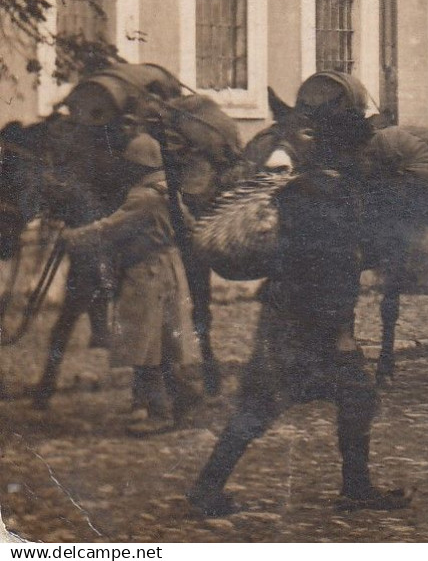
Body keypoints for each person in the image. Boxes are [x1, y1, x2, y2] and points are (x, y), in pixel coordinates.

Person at [187, 91, 410, 517]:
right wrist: (340, 332)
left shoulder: (302, 189)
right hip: (310, 322)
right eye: (362, 148)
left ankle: (208, 488)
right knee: (347, 396)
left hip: (286, 314)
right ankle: (355, 489)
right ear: (346, 150)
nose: (366, 155)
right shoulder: (335, 196)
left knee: (272, 405)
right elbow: (333, 268)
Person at [60, 133, 198, 436]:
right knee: (162, 343)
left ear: (138, 166)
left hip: (145, 275)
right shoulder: (168, 191)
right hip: (169, 270)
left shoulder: (143, 197)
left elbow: (110, 228)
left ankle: (160, 413)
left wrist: (74, 236)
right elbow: (189, 226)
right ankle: (179, 403)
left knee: (145, 345)